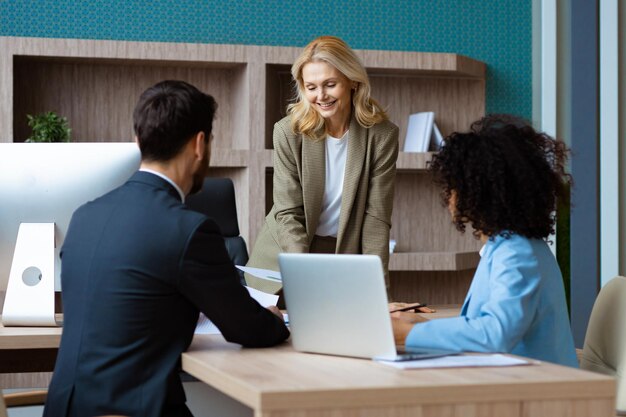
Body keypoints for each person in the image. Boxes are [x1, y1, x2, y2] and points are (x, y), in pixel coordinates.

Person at [44, 80, 290, 417]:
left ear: (138, 142)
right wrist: (275, 320)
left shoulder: (84, 216)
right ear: (200, 144)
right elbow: (248, 328)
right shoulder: (190, 229)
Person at [391, 114, 578, 367]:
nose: (449, 198)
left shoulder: (517, 251)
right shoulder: (506, 246)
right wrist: (424, 327)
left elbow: (497, 332)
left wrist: (410, 334)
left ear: (479, 192)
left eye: (453, 187)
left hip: (537, 390)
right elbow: (488, 322)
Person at [246, 36, 399, 294]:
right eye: (311, 87)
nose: (321, 96)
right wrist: (304, 274)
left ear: (352, 81)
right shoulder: (288, 132)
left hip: (345, 254)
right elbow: (288, 212)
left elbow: (376, 218)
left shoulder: (382, 135)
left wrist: (378, 290)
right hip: (286, 256)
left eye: (330, 84)